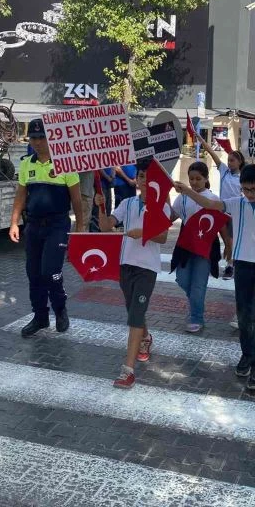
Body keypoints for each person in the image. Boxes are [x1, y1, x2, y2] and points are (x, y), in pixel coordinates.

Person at [174, 164, 255, 390]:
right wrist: (187, 190)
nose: (249, 194)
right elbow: (210, 204)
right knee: (243, 315)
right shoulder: (236, 203)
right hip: (242, 264)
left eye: (254, 190)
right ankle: (247, 356)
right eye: (246, 189)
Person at [96, 159, 170, 389]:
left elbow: (163, 237)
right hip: (125, 264)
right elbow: (106, 226)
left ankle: (127, 371)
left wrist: (143, 232)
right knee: (133, 310)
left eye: (148, 177)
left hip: (147, 268)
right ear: (136, 180)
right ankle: (146, 338)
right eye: (140, 177)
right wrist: (100, 207)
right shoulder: (127, 203)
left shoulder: (162, 206)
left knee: (136, 315)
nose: (144, 181)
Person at [10, 119, 84, 338]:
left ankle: (60, 310)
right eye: (33, 138)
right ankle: (40, 317)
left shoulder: (66, 163)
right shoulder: (26, 164)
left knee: (50, 272)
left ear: (50, 138)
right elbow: (21, 195)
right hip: (33, 226)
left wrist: (79, 227)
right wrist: (14, 222)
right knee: (34, 274)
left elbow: (77, 200)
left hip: (58, 225)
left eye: (42, 137)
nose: (38, 142)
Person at [170, 161, 226, 333]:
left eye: (198, 179)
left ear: (206, 178)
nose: (194, 182)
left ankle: (197, 317)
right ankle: (196, 301)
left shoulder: (213, 199)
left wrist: (229, 247)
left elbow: (222, 226)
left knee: (198, 285)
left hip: (206, 247)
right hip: (185, 245)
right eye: (191, 179)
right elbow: (171, 216)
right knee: (182, 279)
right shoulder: (182, 197)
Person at [196, 131, 244, 280]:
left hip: (235, 212)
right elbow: (211, 153)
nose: (229, 163)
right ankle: (220, 261)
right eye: (228, 160)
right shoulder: (224, 171)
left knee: (231, 242)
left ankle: (230, 266)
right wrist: (201, 140)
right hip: (221, 212)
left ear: (240, 162)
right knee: (224, 242)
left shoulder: (244, 176)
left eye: (232, 161)